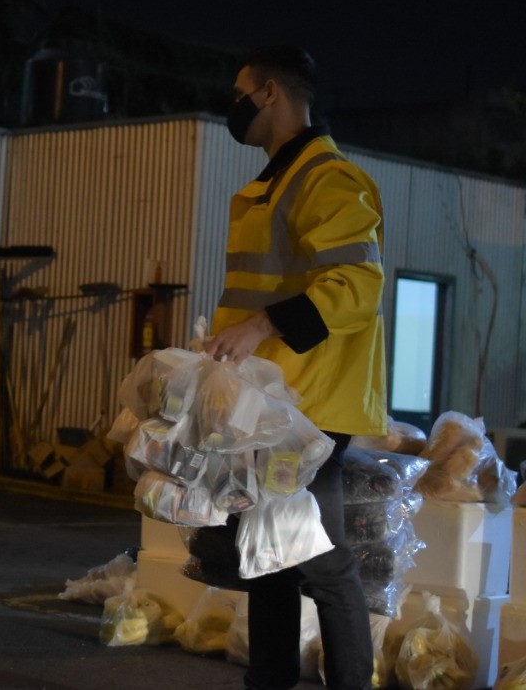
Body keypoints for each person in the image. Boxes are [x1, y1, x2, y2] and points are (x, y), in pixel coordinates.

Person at [203, 45, 387, 690]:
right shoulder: (280, 184)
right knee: (271, 558)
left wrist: (260, 325)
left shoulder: (326, 180)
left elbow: (359, 285)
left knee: (321, 561)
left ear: (270, 93)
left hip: (309, 408)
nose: (233, 103)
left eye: (240, 90)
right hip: (274, 403)